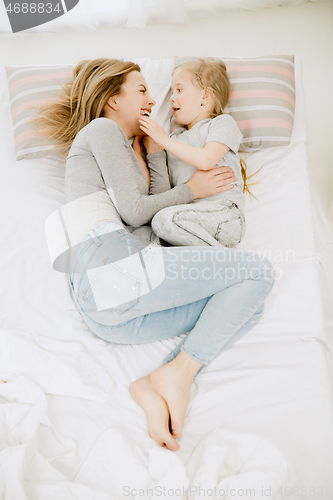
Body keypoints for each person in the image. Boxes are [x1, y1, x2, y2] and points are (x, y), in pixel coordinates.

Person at [35, 58, 275, 452]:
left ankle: (161, 380)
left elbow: (153, 215)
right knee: (259, 273)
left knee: (247, 307)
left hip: (112, 314)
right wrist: (193, 191)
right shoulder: (102, 129)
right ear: (113, 100)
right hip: (108, 267)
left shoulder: (137, 149)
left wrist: (157, 152)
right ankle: (180, 373)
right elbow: (133, 210)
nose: (154, 99)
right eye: (143, 90)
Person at [139, 58, 247, 248]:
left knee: (162, 221)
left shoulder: (221, 123)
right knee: (150, 233)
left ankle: (232, 261)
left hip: (225, 214)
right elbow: (165, 196)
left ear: (206, 96)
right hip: (186, 221)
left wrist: (163, 139)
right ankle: (219, 260)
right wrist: (154, 151)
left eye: (179, 90)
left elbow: (206, 160)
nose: (172, 98)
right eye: (172, 91)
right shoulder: (176, 139)